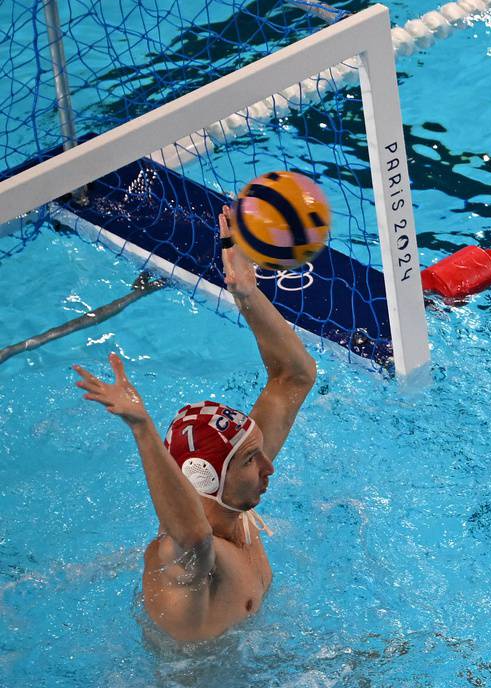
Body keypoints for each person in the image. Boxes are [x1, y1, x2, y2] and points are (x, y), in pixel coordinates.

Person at [72, 208, 317, 643]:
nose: (270, 466)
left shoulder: (233, 496)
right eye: (250, 459)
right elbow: (193, 536)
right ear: (206, 475)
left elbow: (294, 378)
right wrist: (142, 428)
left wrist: (246, 293)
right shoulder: (181, 559)